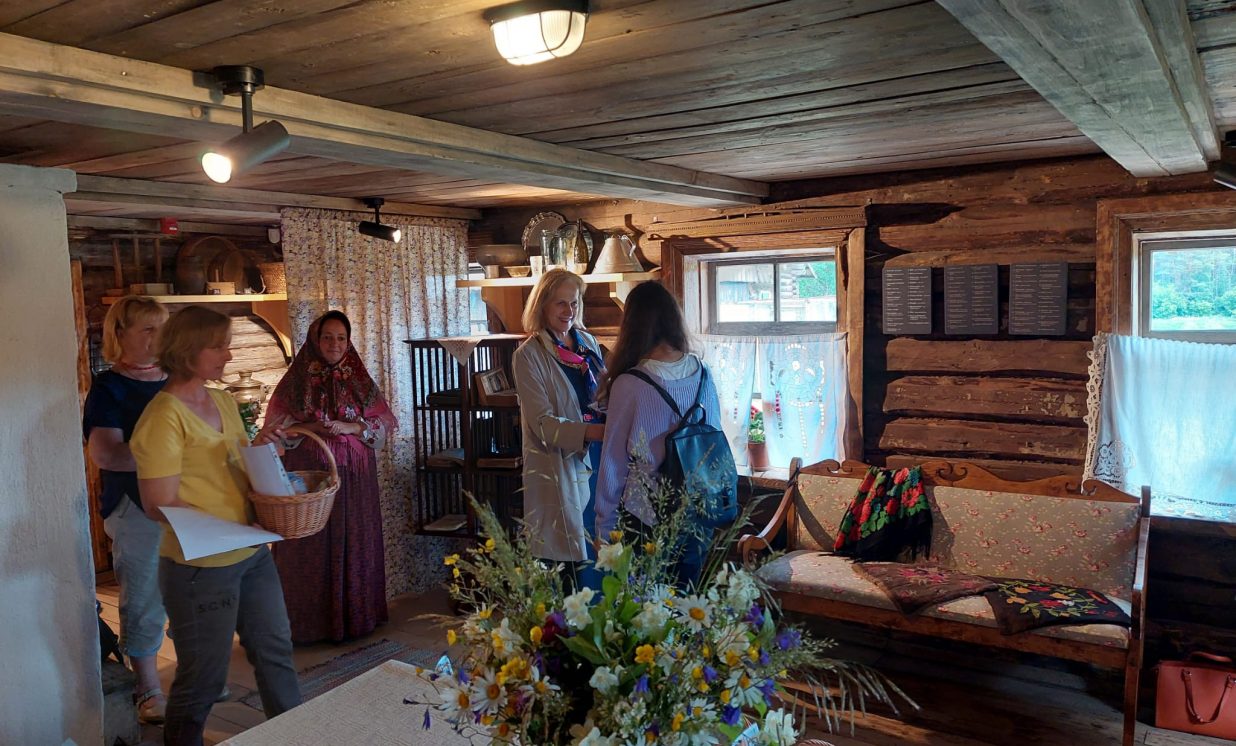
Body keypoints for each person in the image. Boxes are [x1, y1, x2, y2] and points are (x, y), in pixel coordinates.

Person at [131, 305, 300, 746]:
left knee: (275, 653)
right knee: (203, 678)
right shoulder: (162, 417)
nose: (229, 355)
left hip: (250, 553)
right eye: (219, 346)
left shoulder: (223, 400)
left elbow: (236, 466)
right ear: (188, 351)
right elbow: (157, 503)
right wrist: (225, 527)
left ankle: (296, 735)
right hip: (199, 569)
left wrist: (262, 450)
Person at [259, 310, 397, 644]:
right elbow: (275, 427)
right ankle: (309, 625)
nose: (334, 344)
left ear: (348, 343)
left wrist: (353, 427)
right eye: (327, 337)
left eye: (341, 338)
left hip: (355, 479)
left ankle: (357, 618)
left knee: (355, 538)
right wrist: (312, 427)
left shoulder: (359, 379)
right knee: (310, 544)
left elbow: (384, 423)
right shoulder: (296, 381)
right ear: (315, 341)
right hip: (311, 479)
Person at [592, 281, 725, 586]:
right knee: (686, 605)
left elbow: (613, 464)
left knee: (644, 609)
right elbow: (713, 439)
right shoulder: (704, 373)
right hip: (697, 516)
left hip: (645, 517)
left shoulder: (630, 384)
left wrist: (604, 529)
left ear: (632, 326)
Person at [83, 295, 170, 723]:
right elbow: (107, 455)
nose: (158, 336)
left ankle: (194, 674)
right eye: (147, 328)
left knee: (189, 590)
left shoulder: (176, 378)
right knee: (144, 596)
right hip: (134, 507)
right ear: (120, 334)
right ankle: (147, 687)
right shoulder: (109, 388)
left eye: (162, 327)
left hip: (183, 502)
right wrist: (170, 452)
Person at [512, 268, 606, 589]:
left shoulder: (587, 343)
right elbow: (542, 423)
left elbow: (602, 395)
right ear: (542, 305)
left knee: (599, 551)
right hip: (559, 464)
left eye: (574, 303)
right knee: (568, 564)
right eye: (560, 303)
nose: (569, 311)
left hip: (598, 456)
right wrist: (596, 432)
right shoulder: (528, 356)